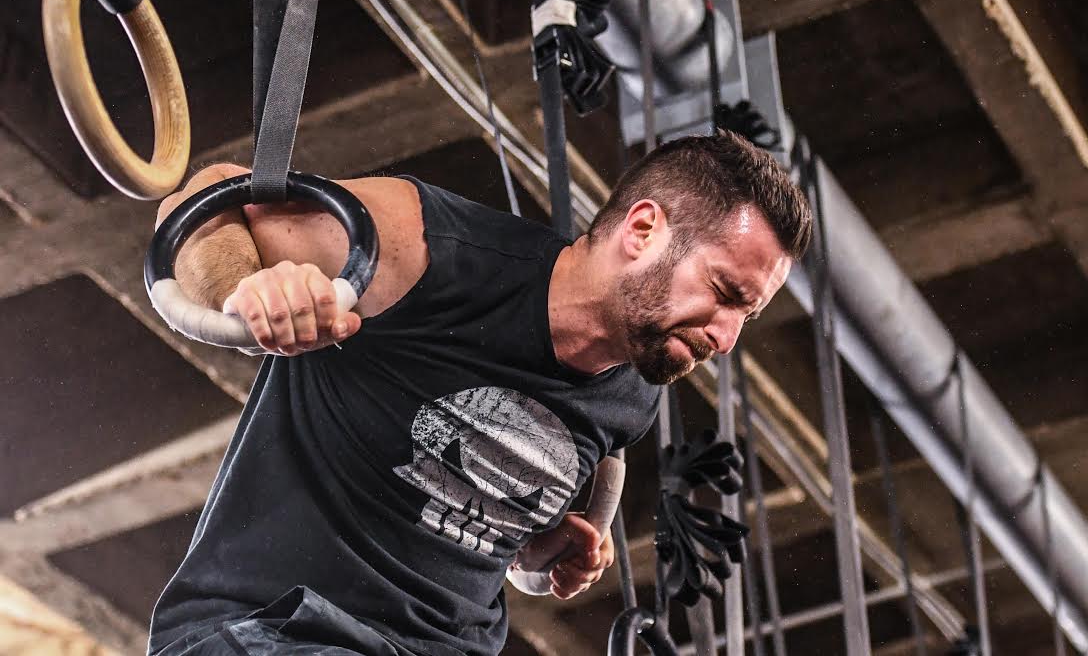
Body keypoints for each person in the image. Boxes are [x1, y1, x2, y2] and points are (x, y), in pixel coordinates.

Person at [147, 131, 811, 656]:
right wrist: (244, 290)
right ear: (643, 231)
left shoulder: (633, 393)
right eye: (725, 294)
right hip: (276, 631)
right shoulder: (425, 252)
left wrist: (538, 548)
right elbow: (202, 200)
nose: (726, 338)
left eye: (744, 318)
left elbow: (469, 504)